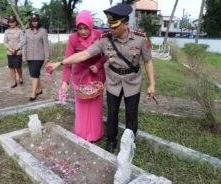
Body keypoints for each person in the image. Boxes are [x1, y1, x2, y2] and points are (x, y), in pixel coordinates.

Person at [47, 4, 155, 153]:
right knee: (112, 113)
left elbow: (148, 61)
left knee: (131, 115)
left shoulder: (140, 39)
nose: (111, 29)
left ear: (125, 23)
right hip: (113, 81)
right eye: (109, 25)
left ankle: (129, 144)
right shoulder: (105, 40)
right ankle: (111, 141)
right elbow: (84, 55)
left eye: (115, 26)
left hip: (133, 82)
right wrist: (59, 63)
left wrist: (152, 84)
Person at [60, 10, 106, 142]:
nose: (83, 31)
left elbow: (107, 54)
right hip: (79, 77)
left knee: (95, 107)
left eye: (85, 28)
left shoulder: (99, 35)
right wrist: (65, 81)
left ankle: (96, 134)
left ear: (91, 25)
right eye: (80, 28)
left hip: (96, 76)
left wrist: (98, 65)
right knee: (82, 107)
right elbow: (68, 61)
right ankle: (82, 134)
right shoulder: (73, 39)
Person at [23, 13, 49, 101]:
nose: (34, 22)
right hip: (29, 56)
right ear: (31, 22)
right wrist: (23, 55)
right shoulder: (27, 31)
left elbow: (45, 45)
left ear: (38, 21)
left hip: (39, 57)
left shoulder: (43, 31)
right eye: (33, 21)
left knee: (34, 75)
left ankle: (33, 93)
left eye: (36, 21)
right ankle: (39, 89)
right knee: (35, 74)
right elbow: (24, 45)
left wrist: (47, 57)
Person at [3, 15, 24, 88]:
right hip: (10, 52)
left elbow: (22, 42)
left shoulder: (20, 31)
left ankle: (20, 76)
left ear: (16, 22)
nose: (11, 23)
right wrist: (10, 49)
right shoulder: (6, 31)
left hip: (18, 53)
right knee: (11, 67)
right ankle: (14, 82)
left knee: (18, 67)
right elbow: (5, 42)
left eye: (13, 22)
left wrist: (15, 49)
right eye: (10, 22)